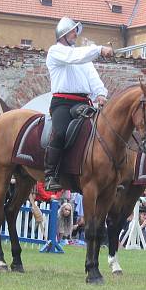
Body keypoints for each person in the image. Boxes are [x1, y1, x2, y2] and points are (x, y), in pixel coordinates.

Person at [43, 16, 114, 190]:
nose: (76, 34)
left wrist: (101, 94)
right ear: (63, 34)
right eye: (73, 31)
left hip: (83, 102)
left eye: (75, 31)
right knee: (60, 133)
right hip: (62, 103)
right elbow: (74, 57)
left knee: (99, 130)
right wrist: (99, 49)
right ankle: (50, 174)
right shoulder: (56, 51)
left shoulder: (81, 57)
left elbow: (92, 76)